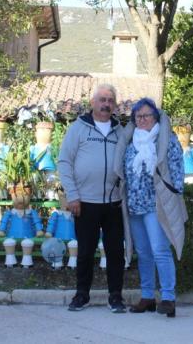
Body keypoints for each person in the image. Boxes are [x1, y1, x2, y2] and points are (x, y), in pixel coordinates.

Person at [58, 83, 127, 313]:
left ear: (114, 106)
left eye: (110, 100)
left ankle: (115, 296)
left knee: (116, 252)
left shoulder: (121, 131)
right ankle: (82, 295)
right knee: (85, 251)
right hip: (85, 202)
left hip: (114, 203)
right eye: (102, 99)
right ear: (93, 103)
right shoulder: (78, 128)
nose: (106, 104)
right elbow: (64, 162)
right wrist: (73, 195)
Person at [114, 98, 187, 318]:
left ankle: (168, 298)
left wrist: (175, 193)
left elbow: (176, 169)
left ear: (155, 117)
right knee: (143, 253)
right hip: (135, 205)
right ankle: (147, 297)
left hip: (156, 205)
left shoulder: (166, 140)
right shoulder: (130, 142)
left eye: (146, 116)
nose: (142, 120)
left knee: (160, 251)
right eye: (138, 117)